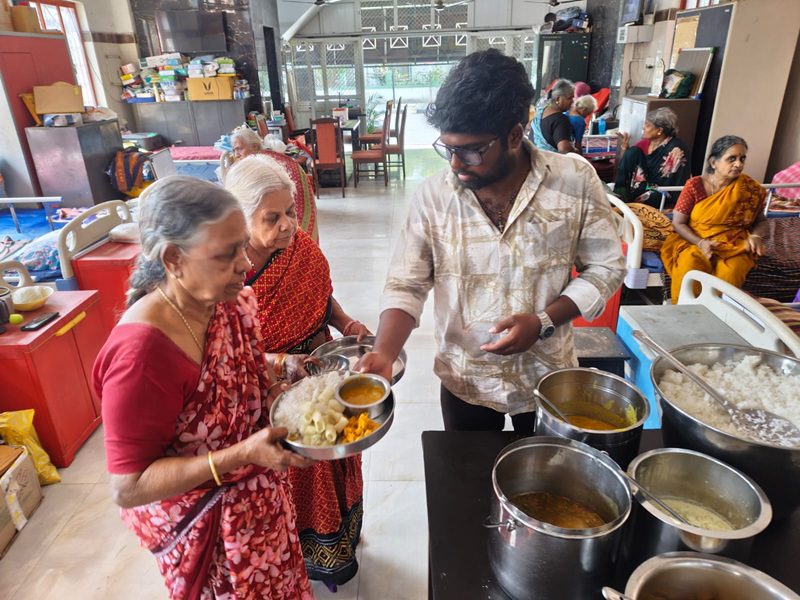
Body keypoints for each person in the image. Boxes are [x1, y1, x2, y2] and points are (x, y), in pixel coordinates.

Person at [358, 49, 626, 431]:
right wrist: (384, 353)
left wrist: (544, 321)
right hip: (465, 378)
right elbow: (407, 283)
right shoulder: (434, 196)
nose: (455, 164)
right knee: (468, 469)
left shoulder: (574, 181)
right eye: (448, 148)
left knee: (544, 468)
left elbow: (606, 267)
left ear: (515, 134)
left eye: (471, 150)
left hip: (546, 378)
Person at [93, 176, 314, 599]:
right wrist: (242, 454)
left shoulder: (222, 300)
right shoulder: (141, 355)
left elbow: (229, 373)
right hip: (210, 536)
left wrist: (277, 369)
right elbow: (129, 485)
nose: (245, 264)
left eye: (242, 246)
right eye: (227, 253)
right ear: (174, 258)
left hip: (259, 514)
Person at [225, 154, 371, 590]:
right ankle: (305, 560)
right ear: (241, 217)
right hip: (270, 392)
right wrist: (278, 363)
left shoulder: (297, 245)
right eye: (272, 218)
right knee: (298, 477)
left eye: (290, 211)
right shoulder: (227, 273)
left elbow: (323, 296)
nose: (288, 224)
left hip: (321, 370)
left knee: (338, 455)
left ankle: (345, 541)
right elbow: (228, 352)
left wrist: (346, 323)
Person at [661, 135, 768, 303]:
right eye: (732, 158)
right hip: (695, 240)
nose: (738, 164)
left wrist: (755, 236)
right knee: (689, 266)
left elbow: (761, 221)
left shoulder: (749, 189)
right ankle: (685, 311)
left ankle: (718, 313)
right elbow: (678, 223)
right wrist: (701, 242)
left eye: (742, 159)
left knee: (732, 272)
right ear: (713, 162)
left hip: (734, 244)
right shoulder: (695, 185)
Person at [223, 126, 319, 241]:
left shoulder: (261, 164)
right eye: (234, 150)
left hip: (296, 209)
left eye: (239, 149)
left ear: (254, 146)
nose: (236, 155)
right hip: (297, 211)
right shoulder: (266, 157)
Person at [614, 107, 691, 208]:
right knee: (632, 152)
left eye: (648, 125)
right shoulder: (644, 144)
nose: (643, 128)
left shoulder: (676, 148)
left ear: (659, 130)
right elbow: (627, 163)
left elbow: (670, 182)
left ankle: (627, 203)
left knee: (651, 196)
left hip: (661, 192)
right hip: (642, 185)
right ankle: (619, 198)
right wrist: (625, 147)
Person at [530, 79, 579, 154]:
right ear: (558, 99)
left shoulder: (540, 112)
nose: (572, 101)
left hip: (533, 158)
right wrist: (576, 151)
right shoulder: (560, 119)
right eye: (569, 98)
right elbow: (564, 149)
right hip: (549, 160)